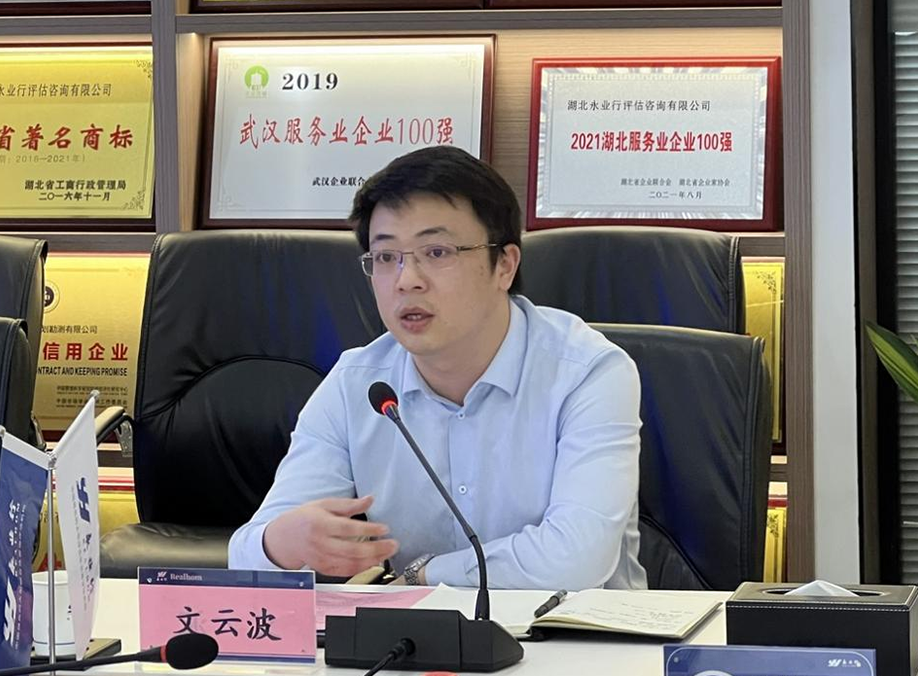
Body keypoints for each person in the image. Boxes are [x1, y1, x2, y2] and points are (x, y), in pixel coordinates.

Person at [228, 146, 646, 590]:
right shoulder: (358, 385)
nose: (407, 280)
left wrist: (421, 575)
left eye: (437, 252)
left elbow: (577, 557)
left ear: (504, 265)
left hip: (574, 630)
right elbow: (248, 554)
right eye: (385, 257)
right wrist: (283, 544)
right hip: (415, 631)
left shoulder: (588, 373)